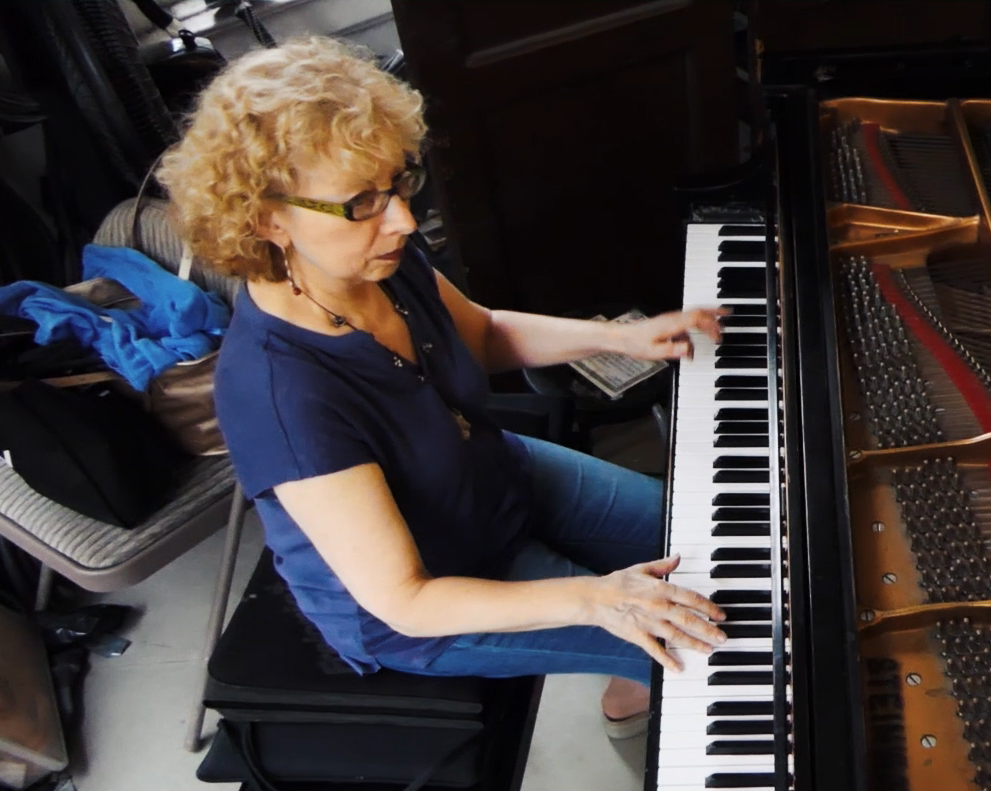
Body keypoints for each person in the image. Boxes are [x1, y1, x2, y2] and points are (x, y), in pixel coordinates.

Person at [155, 36, 728, 740]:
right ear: (267, 218)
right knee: (716, 645)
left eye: (397, 183)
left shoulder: (376, 256)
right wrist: (594, 598)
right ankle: (634, 687)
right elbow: (407, 599)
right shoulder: (280, 396)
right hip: (435, 594)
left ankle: (628, 670)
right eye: (361, 201)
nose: (401, 218)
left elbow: (481, 332)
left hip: (490, 473)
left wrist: (619, 338)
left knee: (714, 538)